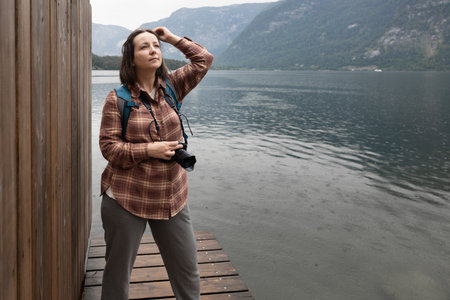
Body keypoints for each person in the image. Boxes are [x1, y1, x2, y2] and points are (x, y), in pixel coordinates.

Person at [98, 27, 214, 300]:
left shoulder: (174, 86)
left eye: (156, 46)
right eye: (144, 47)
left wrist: (171, 38)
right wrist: (149, 149)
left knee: (187, 274)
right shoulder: (118, 99)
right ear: (131, 59)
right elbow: (109, 148)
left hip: (171, 196)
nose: (153, 50)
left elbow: (204, 60)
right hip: (126, 197)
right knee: (117, 277)